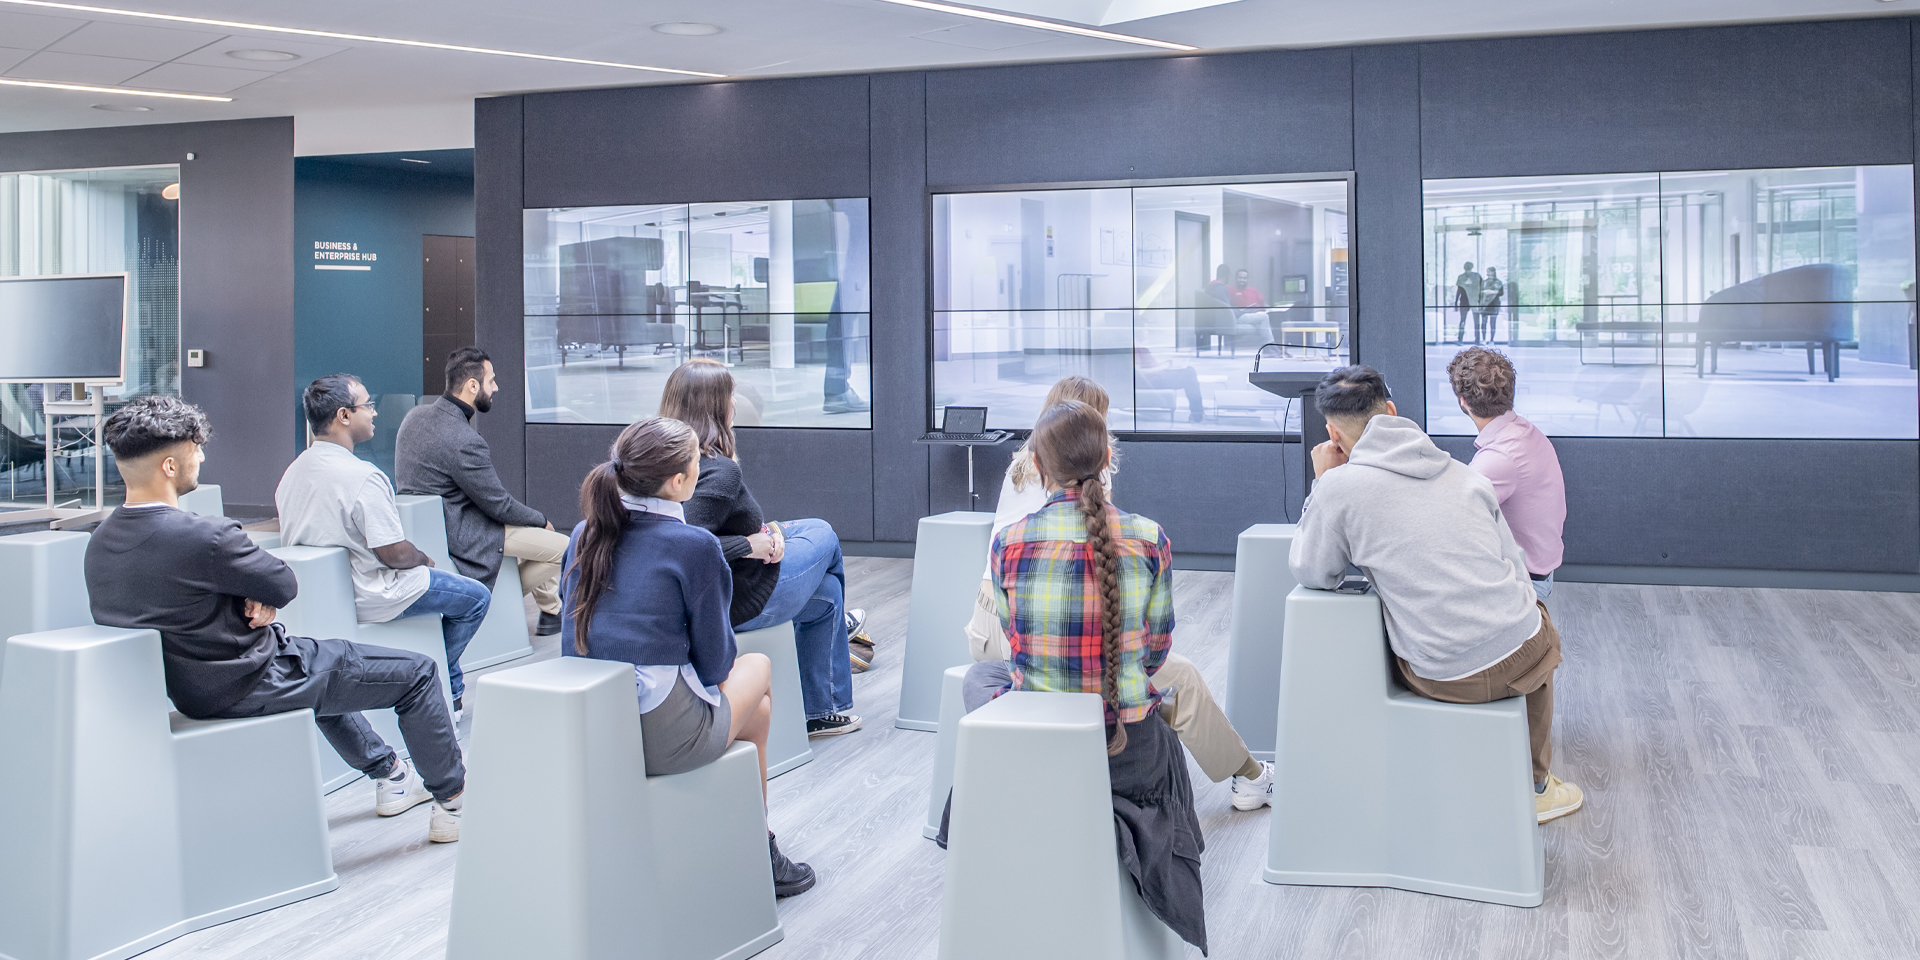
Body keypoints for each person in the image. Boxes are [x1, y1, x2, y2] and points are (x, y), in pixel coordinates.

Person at [86, 396, 465, 841]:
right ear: (170, 466)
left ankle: (391, 775)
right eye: (196, 449)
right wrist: (255, 591)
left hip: (188, 690)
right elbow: (283, 584)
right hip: (256, 679)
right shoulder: (207, 537)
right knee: (418, 673)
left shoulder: (101, 542)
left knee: (324, 671)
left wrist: (247, 591)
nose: (202, 457)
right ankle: (453, 802)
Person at [956, 399, 1206, 953]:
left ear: (1039, 469)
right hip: (1129, 751)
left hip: (1039, 751)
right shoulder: (1148, 538)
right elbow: (1157, 648)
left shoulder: (1008, 542)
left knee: (981, 681)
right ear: (1108, 457)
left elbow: (1016, 645)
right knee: (1164, 733)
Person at [1288, 366, 1583, 823]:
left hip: (1443, 675)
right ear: (1391, 411)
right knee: (1532, 623)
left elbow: (1313, 572)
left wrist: (1323, 482)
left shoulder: (1339, 490)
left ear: (1331, 433)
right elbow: (1515, 568)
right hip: (1525, 652)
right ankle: (1536, 785)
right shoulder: (1465, 474)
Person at [964, 376, 1273, 810]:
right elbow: (1139, 637)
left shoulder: (1029, 470)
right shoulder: (1123, 523)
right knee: (1177, 678)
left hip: (996, 620)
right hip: (1018, 629)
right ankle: (1249, 776)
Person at [560, 416, 816, 897]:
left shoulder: (583, 532)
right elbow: (718, 664)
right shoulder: (694, 545)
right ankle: (758, 847)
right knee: (757, 669)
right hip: (662, 736)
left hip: (595, 727)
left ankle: (755, 842)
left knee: (754, 713)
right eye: (700, 461)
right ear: (679, 481)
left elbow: (570, 637)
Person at [661, 358, 862, 738]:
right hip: (735, 599)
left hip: (718, 589)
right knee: (824, 534)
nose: (735, 404)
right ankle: (826, 704)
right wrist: (749, 545)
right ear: (715, 406)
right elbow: (682, 547)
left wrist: (759, 535)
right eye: (731, 396)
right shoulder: (718, 470)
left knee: (828, 593)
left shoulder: (663, 461)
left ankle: (825, 707)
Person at [278, 375, 493, 714]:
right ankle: (446, 679)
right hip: (373, 592)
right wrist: (423, 558)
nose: (375, 413)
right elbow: (393, 553)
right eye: (368, 405)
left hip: (318, 597)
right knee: (476, 598)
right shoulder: (362, 476)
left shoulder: (292, 472)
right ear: (343, 416)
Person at [395, 346, 569, 637]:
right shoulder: (464, 440)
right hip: (466, 532)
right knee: (563, 547)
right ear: (472, 385)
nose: (496, 387)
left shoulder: (414, 418)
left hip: (435, 525)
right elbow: (499, 505)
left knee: (533, 534)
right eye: (491, 381)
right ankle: (511, 600)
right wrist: (541, 519)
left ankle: (551, 613)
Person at [1448, 347, 1565, 600]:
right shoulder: (1525, 432)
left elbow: (1453, 519)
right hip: (1540, 571)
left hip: (1524, 582)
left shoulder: (1499, 458)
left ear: (1463, 402)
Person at [1134, 347, 1206, 423]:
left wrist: (1163, 365)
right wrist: (1161, 368)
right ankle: (1197, 414)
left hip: (1155, 376)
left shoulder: (1138, 346)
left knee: (1189, 370)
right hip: (1151, 381)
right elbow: (1138, 372)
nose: (1145, 334)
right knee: (1189, 374)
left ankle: (1197, 413)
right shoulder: (1135, 347)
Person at [1453, 262, 1484, 344]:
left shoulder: (1461, 277)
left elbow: (1458, 291)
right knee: (1475, 321)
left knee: (1463, 321)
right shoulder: (1476, 276)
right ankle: (1477, 340)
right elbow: (1482, 290)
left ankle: (1460, 340)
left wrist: (1456, 303)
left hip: (1465, 301)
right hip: (1473, 301)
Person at [1476, 267, 1505, 344]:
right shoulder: (1484, 282)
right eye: (1487, 272)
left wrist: (1492, 292)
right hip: (1484, 304)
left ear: (1494, 272)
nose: (1488, 273)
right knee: (1484, 323)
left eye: (1490, 272)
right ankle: (1484, 339)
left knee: (1493, 323)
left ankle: (1492, 340)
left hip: (1494, 304)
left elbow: (1501, 293)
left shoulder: (1498, 282)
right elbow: (1479, 293)